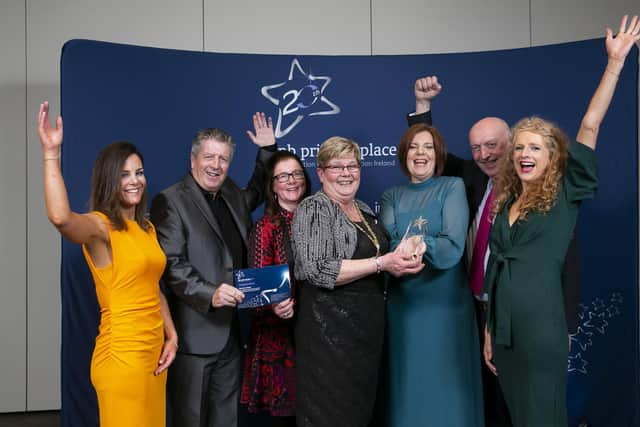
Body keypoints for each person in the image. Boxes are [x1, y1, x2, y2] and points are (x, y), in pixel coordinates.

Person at [483, 15, 639, 427]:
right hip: (505, 333)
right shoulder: (508, 199)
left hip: (542, 330)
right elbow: (497, 273)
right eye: (518, 148)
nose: (523, 153)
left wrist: (614, 64)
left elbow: (590, 124)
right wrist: (489, 331)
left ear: (553, 156)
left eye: (534, 147)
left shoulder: (566, 192)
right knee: (520, 416)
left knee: (544, 417)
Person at [407, 76, 580, 426]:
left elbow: (568, 261)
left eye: (492, 145)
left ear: (514, 146)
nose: (484, 155)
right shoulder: (472, 176)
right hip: (476, 308)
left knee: (522, 398)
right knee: (486, 395)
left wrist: (569, 324)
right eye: (476, 148)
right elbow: (432, 153)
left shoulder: (545, 195)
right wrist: (422, 107)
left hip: (526, 313)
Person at [37, 101, 178, 427]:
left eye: (139, 172)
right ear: (108, 180)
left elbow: (152, 286)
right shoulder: (101, 227)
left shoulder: (147, 228)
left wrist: (171, 335)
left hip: (152, 360)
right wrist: (50, 154)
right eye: (124, 174)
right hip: (121, 360)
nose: (134, 181)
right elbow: (60, 218)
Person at [149, 113, 276, 427]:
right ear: (193, 159)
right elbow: (173, 267)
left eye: (223, 159)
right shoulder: (170, 200)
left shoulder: (229, 191)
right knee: (189, 419)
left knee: (226, 419)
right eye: (209, 157)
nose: (216, 165)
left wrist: (268, 150)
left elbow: (255, 194)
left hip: (232, 333)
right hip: (194, 336)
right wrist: (211, 293)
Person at [291, 137, 424, 427]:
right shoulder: (314, 208)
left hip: (365, 333)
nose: (346, 173)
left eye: (352, 165)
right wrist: (381, 263)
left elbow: (377, 261)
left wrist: (399, 261)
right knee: (330, 415)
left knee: (361, 414)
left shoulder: (363, 209)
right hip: (328, 335)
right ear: (321, 173)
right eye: (336, 166)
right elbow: (317, 269)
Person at [380, 123, 484, 426]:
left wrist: (415, 243)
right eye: (413, 147)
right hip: (404, 308)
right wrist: (419, 243)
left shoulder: (452, 186)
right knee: (409, 385)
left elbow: (453, 247)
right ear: (403, 154)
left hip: (446, 305)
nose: (420, 153)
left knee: (448, 386)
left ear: (438, 154)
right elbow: (388, 243)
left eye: (427, 147)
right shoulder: (391, 195)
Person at [240, 150, 311, 427]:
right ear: (272, 185)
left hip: (317, 336)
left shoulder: (321, 219)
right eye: (283, 176)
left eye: (296, 174)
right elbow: (256, 294)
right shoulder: (265, 228)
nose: (291, 181)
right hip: (280, 342)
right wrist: (275, 305)